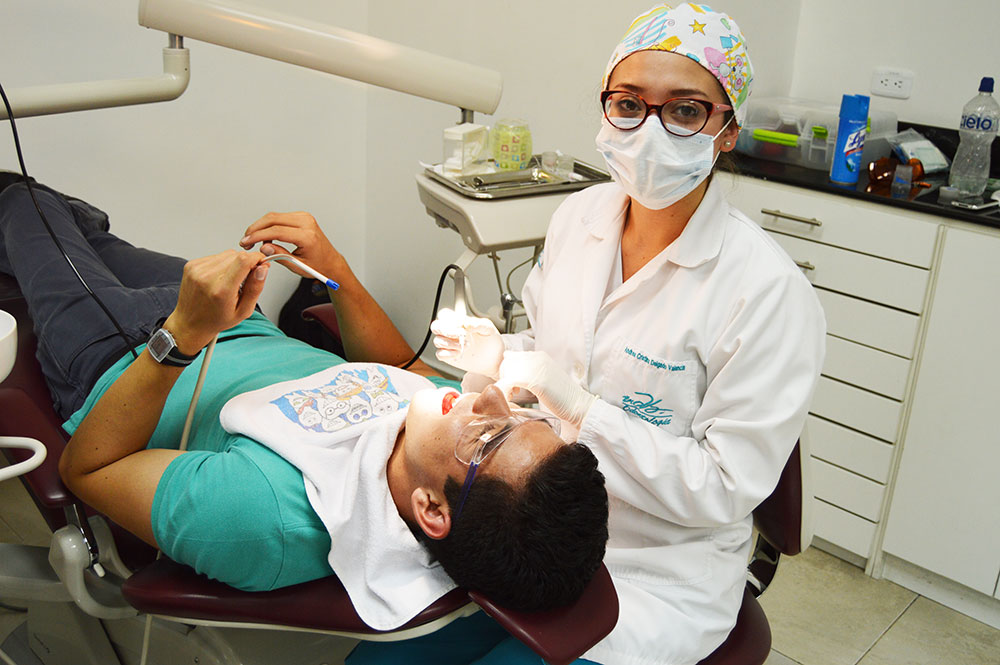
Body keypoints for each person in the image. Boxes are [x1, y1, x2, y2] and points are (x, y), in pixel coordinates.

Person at [401, 4, 826, 665]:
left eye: (685, 110)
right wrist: (500, 355)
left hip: (658, 572)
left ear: (727, 130)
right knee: (388, 655)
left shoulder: (767, 292)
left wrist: (580, 408)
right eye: (628, 103)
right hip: (531, 528)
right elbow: (553, 360)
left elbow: (723, 487)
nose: (650, 129)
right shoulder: (578, 218)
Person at [0, 176, 609, 631]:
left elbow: (90, 469)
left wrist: (183, 333)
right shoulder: (434, 436)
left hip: (127, 350)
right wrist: (333, 269)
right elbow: (399, 369)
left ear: (431, 510)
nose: (492, 397)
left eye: (491, 435)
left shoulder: (262, 517)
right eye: (523, 415)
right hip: (236, 317)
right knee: (78, 230)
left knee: (22, 202)